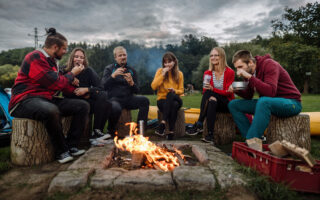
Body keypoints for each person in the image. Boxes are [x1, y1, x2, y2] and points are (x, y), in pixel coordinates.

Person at [9, 28, 89, 164]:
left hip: (45, 98)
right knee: (51, 110)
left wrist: (82, 90)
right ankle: (62, 151)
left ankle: (71, 146)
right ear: (55, 47)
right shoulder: (35, 57)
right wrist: (72, 74)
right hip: (24, 100)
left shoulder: (52, 62)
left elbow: (60, 85)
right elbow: (55, 83)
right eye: (64, 49)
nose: (65, 52)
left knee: (82, 106)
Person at [228, 50, 302, 140]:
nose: (238, 71)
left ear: (250, 62)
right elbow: (248, 95)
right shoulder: (249, 72)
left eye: (240, 67)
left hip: (291, 103)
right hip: (268, 103)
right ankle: (252, 139)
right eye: (236, 68)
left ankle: (251, 141)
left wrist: (250, 77)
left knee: (264, 101)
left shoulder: (270, 65)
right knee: (234, 104)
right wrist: (236, 89)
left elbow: (270, 92)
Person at [63, 47, 112, 143]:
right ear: (72, 58)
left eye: (81, 57)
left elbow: (101, 88)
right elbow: (59, 83)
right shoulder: (65, 70)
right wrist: (71, 77)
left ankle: (97, 131)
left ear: (84, 60)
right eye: (76, 56)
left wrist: (86, 90)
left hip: (86, 99)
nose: (78, 59)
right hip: (71, 101)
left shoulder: (88, 71)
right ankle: (83, 138)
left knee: (105, 99)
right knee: (100, 101)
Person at [186, 47, 235, 145]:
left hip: (226, 103)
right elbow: (205, 91)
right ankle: (210, 135)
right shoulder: (207, 73)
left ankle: (199, 123)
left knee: (210, 94)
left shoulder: (230, 72)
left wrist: (213, 90)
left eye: (216, 55)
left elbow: (228, 92)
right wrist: (212, 92)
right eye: (211, 55)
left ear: (221, 57)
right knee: (211, 100)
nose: (213, 57)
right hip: (214, 102)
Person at [101, 46, 149, 136]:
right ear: (115, 57)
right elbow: (103, 86)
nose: (123, 57)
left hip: (129, 99)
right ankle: (110, 131)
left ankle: (139, 131)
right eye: (120, 55)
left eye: (124, 55)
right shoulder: (109, 69)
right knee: (115, 108)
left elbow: (137, 90)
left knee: (145, 101)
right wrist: (113, 76)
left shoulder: (132, 70)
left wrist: (131, 83)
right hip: (114, 99)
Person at [151, 52, 184, 140]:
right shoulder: (160, 71)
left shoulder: (179, 74)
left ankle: (163, 123)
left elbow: (181, 90)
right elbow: (153, 86)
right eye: (165, 62)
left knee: (171, 95)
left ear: (174, 62)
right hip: (162, 101)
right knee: (174, 105)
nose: (167, 64)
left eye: (169, 62)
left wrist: (174, 91)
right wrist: (162, 74)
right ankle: (171, 132)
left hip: (176, 98)